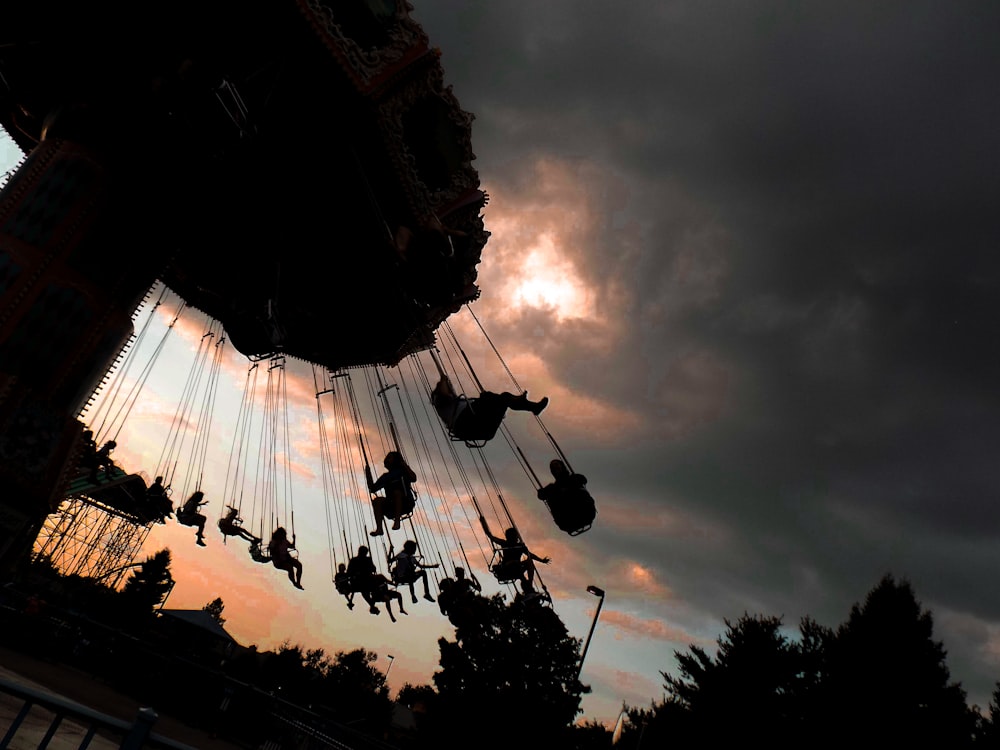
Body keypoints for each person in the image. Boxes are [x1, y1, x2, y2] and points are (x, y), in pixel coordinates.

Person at [431, 375, 548, 442]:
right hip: (467, 424)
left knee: (504, 398)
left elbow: (446, 390)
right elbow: (443, 390)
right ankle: (527, 404)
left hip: (483, 429)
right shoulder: (439, 400)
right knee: (491, 397)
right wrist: (443, 379)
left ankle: (532, 407)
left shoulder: (456, 402)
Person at [479, 515, 550, 594]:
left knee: (529, 561)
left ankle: (529, 586)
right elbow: (491, 536)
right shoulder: (505, 543)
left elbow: (530, 555)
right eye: (512, 536)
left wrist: (541, 560)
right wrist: (483, 524)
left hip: (518, 566)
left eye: (514, 536)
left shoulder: (520, 546)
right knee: (515, 565)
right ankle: (527, 587)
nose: (515, 538)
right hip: (507, 567)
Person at [537, 459, 597, 534]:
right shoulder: (553, 488)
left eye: (557, 465)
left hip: (584, 512)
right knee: (554, 494)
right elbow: (541, 496)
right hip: (568, 520)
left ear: (562, 466)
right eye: (553, 468)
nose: (556, 468)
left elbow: (583, 479)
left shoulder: (574, 479)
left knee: (566, 492)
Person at [366, 451, 417, 536]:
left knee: (397, 493)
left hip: (406, 502)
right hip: (391, 504)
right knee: (377, 501)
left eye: (390, 457)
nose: (387, 459)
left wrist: (405, 466)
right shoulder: (386, 477)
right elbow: (373, 489)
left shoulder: (403, 472)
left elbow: (413, 478)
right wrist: (368, 474)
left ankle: (397, 521)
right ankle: (379, 529)